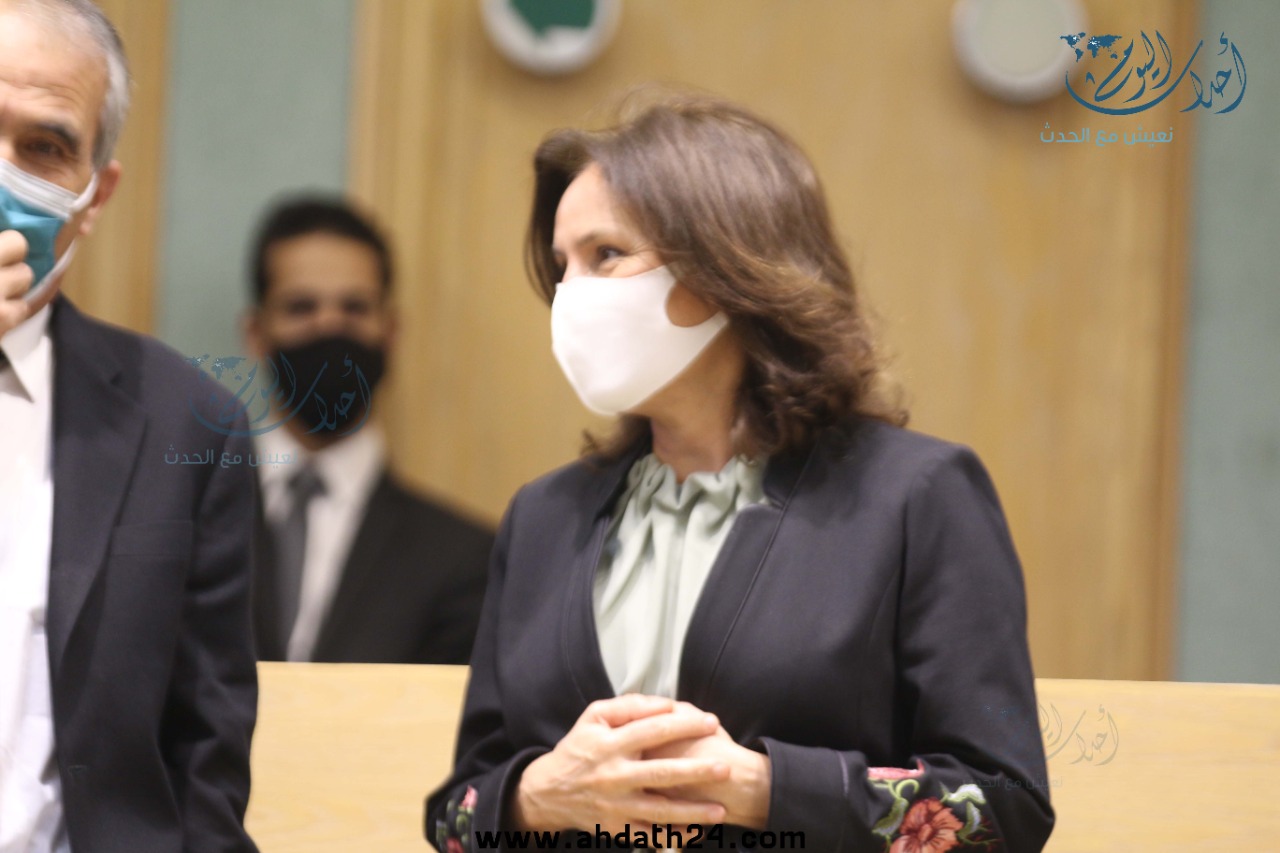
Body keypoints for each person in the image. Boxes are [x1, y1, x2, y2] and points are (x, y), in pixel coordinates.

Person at [427, 93, 1054, 852]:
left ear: (724, 263)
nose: (571, 297)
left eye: (606, 255)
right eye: (562, 267)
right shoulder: (543, 516)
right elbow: (455, 814)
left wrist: (764, 788)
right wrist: (536, 797)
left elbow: (1004, 809)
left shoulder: (917, 496)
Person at [0, 1, 258, 850]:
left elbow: (205, 759)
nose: (4, 172)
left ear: (94, 195)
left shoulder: (187, 422)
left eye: (44, 146)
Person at [244, 196, 492, 664]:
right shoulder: (188, 523)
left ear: (390, 330)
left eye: (354, 307)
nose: (329, 324)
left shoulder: (462, 558)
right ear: (256, 332)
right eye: (301, 306)